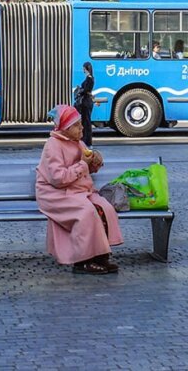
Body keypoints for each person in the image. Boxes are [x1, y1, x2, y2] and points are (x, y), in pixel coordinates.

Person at [35, 104, 123, 275]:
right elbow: (58, 179)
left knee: (104, 208)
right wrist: (83, 163)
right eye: (76, 125)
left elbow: (85, 168)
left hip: (76, 190)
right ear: (65, 128)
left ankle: (100, 254)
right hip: (55, 194)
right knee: (86, 213)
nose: (82, 127)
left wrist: (95, 161)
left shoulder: (78, 142)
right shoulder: (53, 145)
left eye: (81, 123)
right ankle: (83, 260)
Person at [73, 62, 95, 149]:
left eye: (83, 68)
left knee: (87, 123)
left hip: (86, 102)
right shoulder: (89, 78)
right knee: (85, 122)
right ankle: (85, 141)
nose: (83, 70)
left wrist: (80, 91)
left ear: (86, 68)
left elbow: (86, 90)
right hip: (86, 101)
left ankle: (88, 142)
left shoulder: (90, 78)